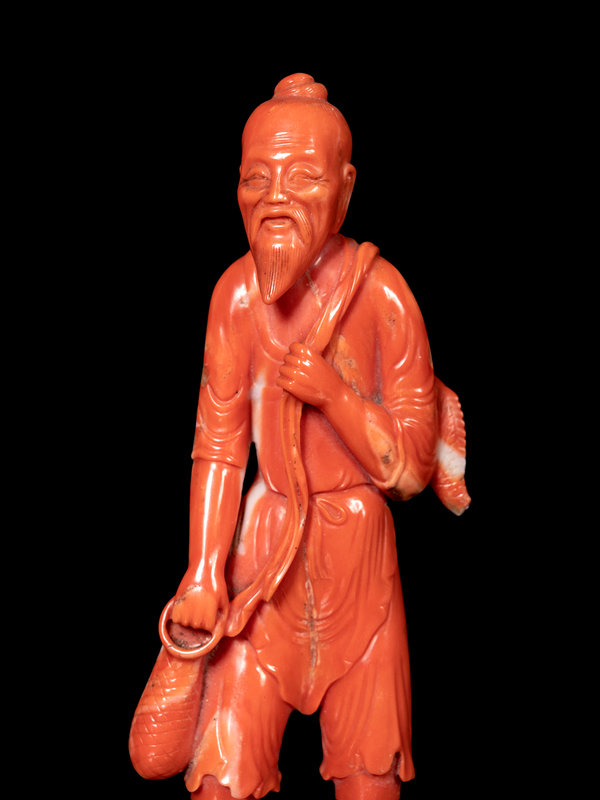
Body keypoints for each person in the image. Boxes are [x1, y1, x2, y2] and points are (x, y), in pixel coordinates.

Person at [130, 72, 469, 800]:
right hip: (264, 553)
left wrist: (336, 398)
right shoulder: (235, 295)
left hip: (360, 560)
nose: (276, 199)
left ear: (345, 189)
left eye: (303, 178)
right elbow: (219, 445)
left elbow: (413, 467)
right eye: (257, 179)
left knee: (370, 770)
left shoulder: (383, 294)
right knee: (220, 774)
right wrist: (203, 571)